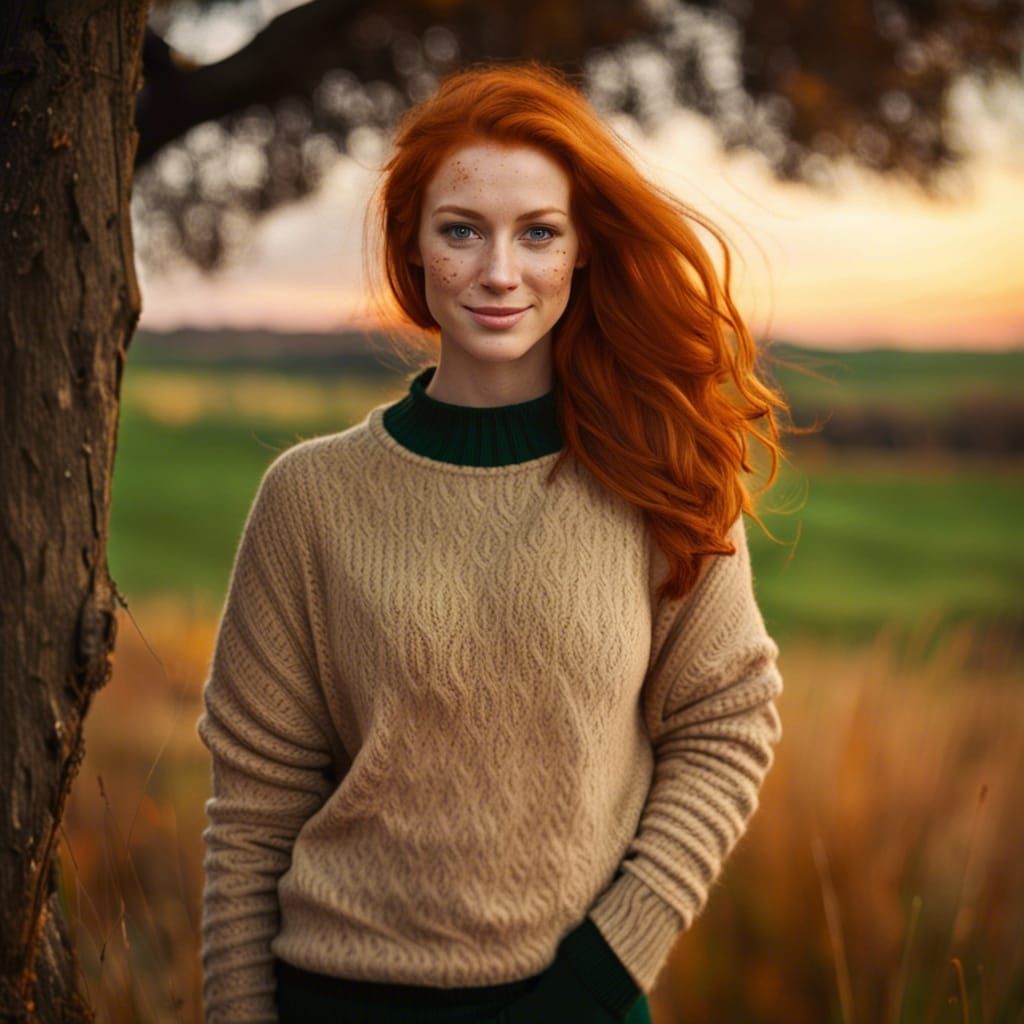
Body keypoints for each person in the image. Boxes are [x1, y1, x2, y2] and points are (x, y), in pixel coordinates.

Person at [197, 60, 792, 1024]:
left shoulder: (662, 481)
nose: (500, 272)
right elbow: (253, 812)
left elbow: (727, 726)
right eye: (462, 230)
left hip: (582, 1004)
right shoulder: (309, 499)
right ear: (414, 249)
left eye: (539, 233)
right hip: (339, 1001)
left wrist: (601, 976)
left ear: (581, 250)